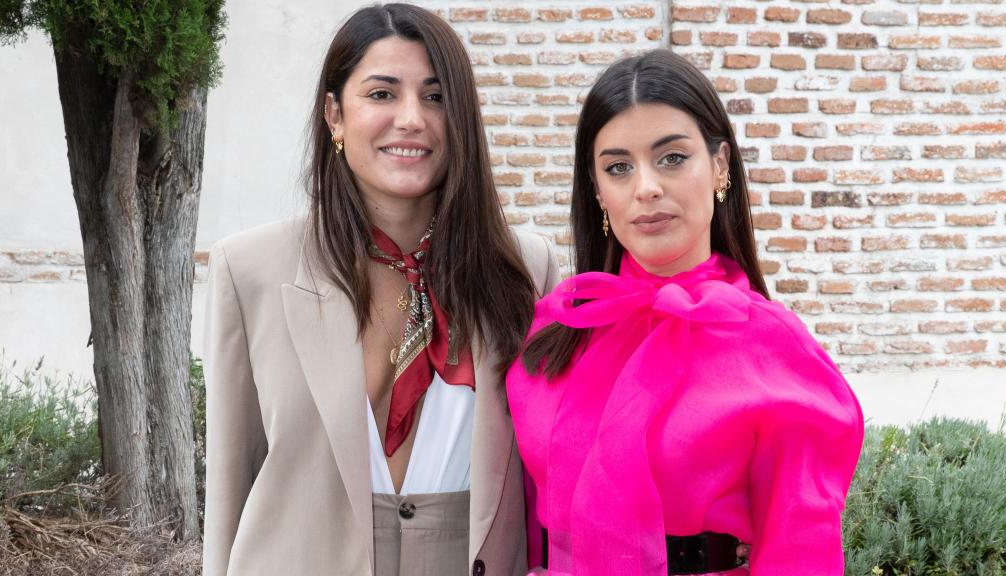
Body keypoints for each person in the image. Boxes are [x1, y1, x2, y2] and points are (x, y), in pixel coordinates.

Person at [202, 5, 559, 576]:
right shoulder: (249, 270)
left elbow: (547, 483)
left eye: (436, 96)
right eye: (382, 94)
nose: (412, 118)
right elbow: (227, 488)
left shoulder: (525, 270)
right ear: (334, 115)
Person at [507, 49, 863, 576]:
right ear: (598, 189)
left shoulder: (776, 349)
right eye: (619, 167)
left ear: (719, 165)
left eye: (671, 158)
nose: (646, 187)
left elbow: (801, 549)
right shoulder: (560, 326)